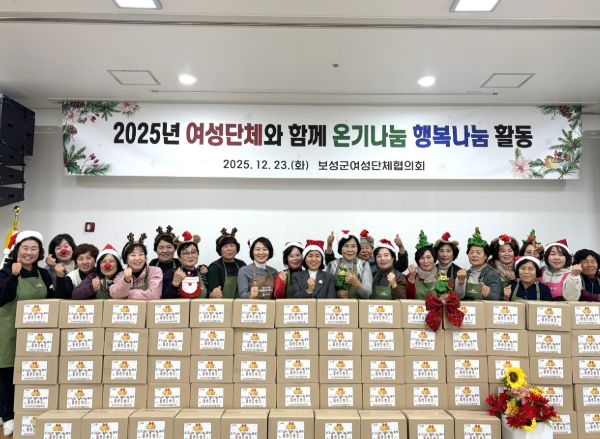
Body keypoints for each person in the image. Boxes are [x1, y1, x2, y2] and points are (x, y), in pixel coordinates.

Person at [0, 231, 68, 436]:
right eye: (25, 248)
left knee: (31, 373)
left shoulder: (44, 274)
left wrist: (60, 277)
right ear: (17, 250)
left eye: (34, 249)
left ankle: (27, 412)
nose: (29, 253)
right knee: (7, 373)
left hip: (36, 335)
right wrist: (13, 276)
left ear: (39, 252)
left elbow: (55, 299)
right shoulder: (5, 272)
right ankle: (8, 416)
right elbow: (2, 298)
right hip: (8, 329)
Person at [325, 230, 409, 275]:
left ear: (372, 249)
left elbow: (402, 266)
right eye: (361, 248)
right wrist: (329, 245)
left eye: (367, 247)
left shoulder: (380, 263)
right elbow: (330, 263)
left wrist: (401, 246)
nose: (364, 250)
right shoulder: (350, 262)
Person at [110, 233, 162, 300]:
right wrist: (126, 280)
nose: (137, 258)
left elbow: (154, 295)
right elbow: (114, 294)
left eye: (141, 254)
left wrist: (127, 295)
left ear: (145, 257)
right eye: (133, 255)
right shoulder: (120, 275)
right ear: (126, 259)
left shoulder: (155, 271)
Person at [455, 227, 502, 300]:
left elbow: (497, 298)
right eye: (471, 252)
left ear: (485, 256)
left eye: (478, 252)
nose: (474, 255)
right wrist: (461, 282)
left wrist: (489, 294)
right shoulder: (464, 274)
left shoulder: (492, 274)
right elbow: (458, 298)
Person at [325, 230, 373, 299]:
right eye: (346, 246)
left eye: (353, 246)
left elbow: (367, 294)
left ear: (357, 248)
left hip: (358, 305)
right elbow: (325, 291)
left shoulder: (364, 265)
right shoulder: (332, 265)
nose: (350, 250)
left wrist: (357, 284)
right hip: (336, 305)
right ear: (340, 248)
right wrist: (336, 293)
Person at [163, 231, 208, 299]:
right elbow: (165, 299)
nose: (190, 256)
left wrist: (212, 294)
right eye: (186, 253)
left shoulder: (203, 273)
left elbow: (208, 296)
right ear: (179, 257)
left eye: (193, 252)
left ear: (198, 255)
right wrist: (175, 284)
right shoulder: (170, 273)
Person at [207, 228, 246, 298]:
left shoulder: (241, 264)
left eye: (232, 246)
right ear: (219, 250)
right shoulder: (215, 267)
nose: (229, 249)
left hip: (240, 303)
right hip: (222, 303)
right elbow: (210, 292)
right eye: (225, 246)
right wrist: (213, 294)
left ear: (237, 248)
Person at [406, 231, 439, 299]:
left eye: (428, 257)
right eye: (421, 258)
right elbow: (408, 298)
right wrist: (412, 279)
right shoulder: (410, 276)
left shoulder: (442, 276)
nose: (425, 261)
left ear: (434, 259)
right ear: (417, 261)